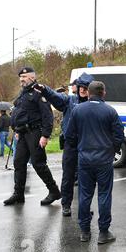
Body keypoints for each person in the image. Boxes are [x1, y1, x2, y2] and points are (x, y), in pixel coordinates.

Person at [65, 81, 124, 243]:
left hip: (84, 159)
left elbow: (69, 135)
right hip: (104, 160)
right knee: (104, 194)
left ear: (88, 93)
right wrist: (111, 150)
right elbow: (119, 136)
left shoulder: (77, 110)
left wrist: (80, 148)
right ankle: (103, 233)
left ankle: (84, 231)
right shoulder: (110, 111)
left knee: (84, 195)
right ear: (103, 93)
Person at [34, 73, 94, 217]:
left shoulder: (94, 104)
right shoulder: (70, 100)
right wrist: (44, 89)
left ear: (90, 89)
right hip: (71, 145)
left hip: (87, 146)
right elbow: (56, 97)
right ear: (78, 87)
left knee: (86, 178)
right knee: (68, 177)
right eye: (81, 87)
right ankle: (66, 205)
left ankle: (84, 207)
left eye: (86, 88)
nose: (83, 90)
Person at [3, 67, 61, 206]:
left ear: (32, 78)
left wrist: (45, 135)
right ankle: (18, 194)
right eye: (20, 78)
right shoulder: (22, 94)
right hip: (22, 133)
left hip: (35, 133)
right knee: (18, 163)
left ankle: (54, 191)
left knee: (38, 164)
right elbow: (20, 113)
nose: (21, 80)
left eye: (24, 77)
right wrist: (16, 130)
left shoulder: (38, 93)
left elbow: (47, 116)